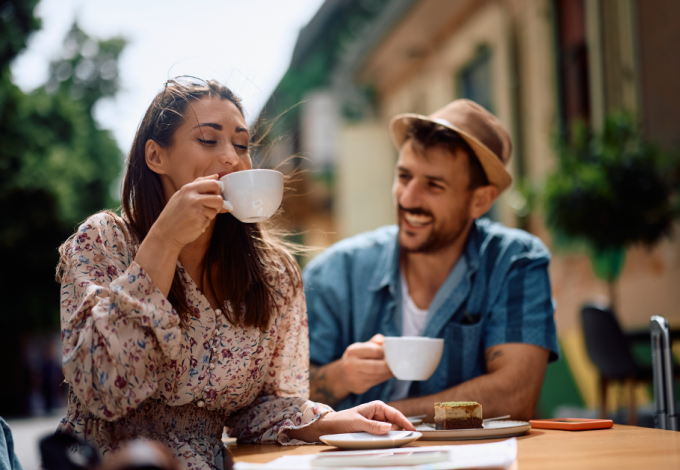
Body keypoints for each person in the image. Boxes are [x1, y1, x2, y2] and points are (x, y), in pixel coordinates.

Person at [55, 78, 413, 469]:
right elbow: (101, 390)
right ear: (156, 157)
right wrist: (164, 241)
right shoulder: (104, 242)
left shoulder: (272, 274)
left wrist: (325, 421)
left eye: (242, 145)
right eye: (209, 140)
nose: (231, 158)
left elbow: (260, 408)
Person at [304, 99, 559, 421]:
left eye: (434, 185)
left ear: (480, 200)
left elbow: (514, 396)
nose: (409, 198)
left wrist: (384, 416)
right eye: (404, 176)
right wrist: (340, 376)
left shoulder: (515, 262)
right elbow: (281, 399)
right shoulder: (333, 273)